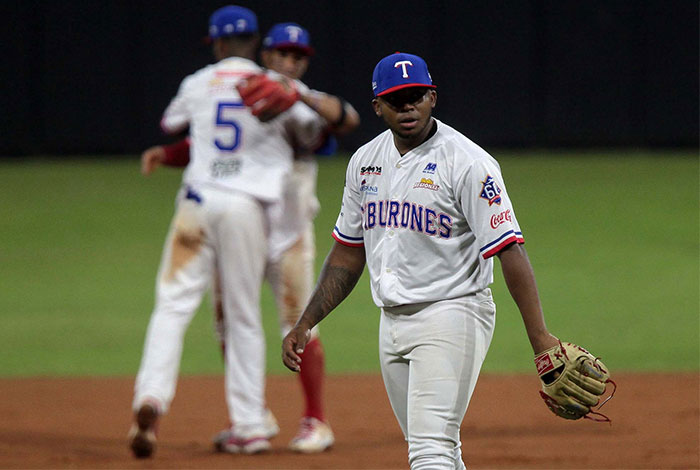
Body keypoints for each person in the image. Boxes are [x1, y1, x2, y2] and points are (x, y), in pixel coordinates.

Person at [282, 52, 561, 470]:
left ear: (432, 97)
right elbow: (347, 252)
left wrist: (540, 339)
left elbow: (509, 249)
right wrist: (307, 321)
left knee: (428, 451)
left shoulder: (468, 162)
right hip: (391, 322)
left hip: (453, 312)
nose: (407, 106)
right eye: (396, 99)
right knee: (439, 448)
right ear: (378, 106)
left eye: (416, 96)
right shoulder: (365, 162)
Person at [140, 22, 359, 454]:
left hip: (289, 235)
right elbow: (207, 145)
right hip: (244, 223)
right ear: (266, 55)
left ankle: (315, 419)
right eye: (282, 54)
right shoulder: (250, 91)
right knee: (229, 320)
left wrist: (300, 94)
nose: (290, 62)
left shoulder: (297, 100)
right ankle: (250, 414)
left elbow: (343, 122)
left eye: (299, 57)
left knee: (300, 321)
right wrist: (168, 155)